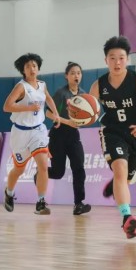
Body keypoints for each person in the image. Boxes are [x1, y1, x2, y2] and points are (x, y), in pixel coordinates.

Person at [88, 36, 136, 239]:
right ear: (106, 60)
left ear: (127, 59)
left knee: (125, 179)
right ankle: (127, 217)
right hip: (113, 133)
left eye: (121, 58)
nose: (117, 62)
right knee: (120, 169)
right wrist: (77, 110)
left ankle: (116, 184)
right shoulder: (99, 85)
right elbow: (89, 112)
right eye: (112, 58)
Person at [3, 53, 60, 215]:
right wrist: (28, 108)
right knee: (19, 170)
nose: (32, 69)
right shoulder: (21, 87)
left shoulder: (42, 85)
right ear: (23, 70)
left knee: (43, 165)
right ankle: (9, 192)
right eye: (28, 66)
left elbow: (48, 98)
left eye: (34, 66)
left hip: (38, 131)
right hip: (20, 133)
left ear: (38, 68)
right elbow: (7, 106)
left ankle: (41, 202)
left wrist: (56, 114)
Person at [45, 62, 91, 215]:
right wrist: (67, 122)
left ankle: (79, 204)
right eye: (72, 73)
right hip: (58, 135)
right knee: (58, 172)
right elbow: (48, 113)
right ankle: (41, 173)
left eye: (78, 73)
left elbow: (86, 116)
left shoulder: (84, 95)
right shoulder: (61, 93)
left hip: (73, 136)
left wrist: (83, 121)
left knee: (79, 168)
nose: (76, 75)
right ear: (66, 76)